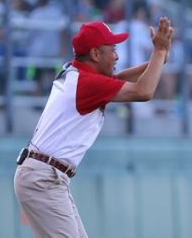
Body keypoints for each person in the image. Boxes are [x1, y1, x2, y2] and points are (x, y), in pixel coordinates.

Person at [14, 17, 173, 237]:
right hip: (44, 178)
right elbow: (143, 91)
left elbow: (118, 78)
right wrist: (158, 53)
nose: (117, 55)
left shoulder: (78, 73)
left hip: (44, 175)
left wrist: (158, 59)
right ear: (95, 54)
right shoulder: (86, 83)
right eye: (112, 49)